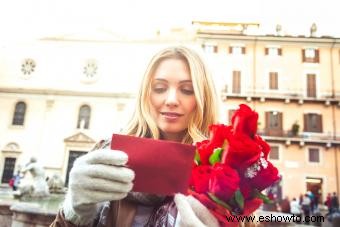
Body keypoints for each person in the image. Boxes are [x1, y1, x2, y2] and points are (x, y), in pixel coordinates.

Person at [50, 46, 221, 227]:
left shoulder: (228, 172)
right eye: (159, 88)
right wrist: (74, 212)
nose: (171, 100)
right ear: (145, 93)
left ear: (204, 97)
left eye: (187, 90)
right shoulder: (107, 154)